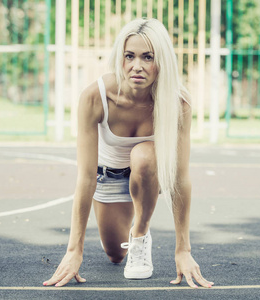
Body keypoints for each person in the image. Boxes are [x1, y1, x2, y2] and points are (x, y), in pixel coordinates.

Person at [43, 18, 213, 289]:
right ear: (119, 59)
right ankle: (126, 233)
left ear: (162, 61)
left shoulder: (177, 102)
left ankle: (141, 233)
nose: (137, 66)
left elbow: (180, 178)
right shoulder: (95, 97)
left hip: (149, 175)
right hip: (107, 178)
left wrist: (183, 250)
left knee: (145, 156)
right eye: (129, 56)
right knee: (114, 254)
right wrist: (74, 250)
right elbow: (86, 177)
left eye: (148, 57)